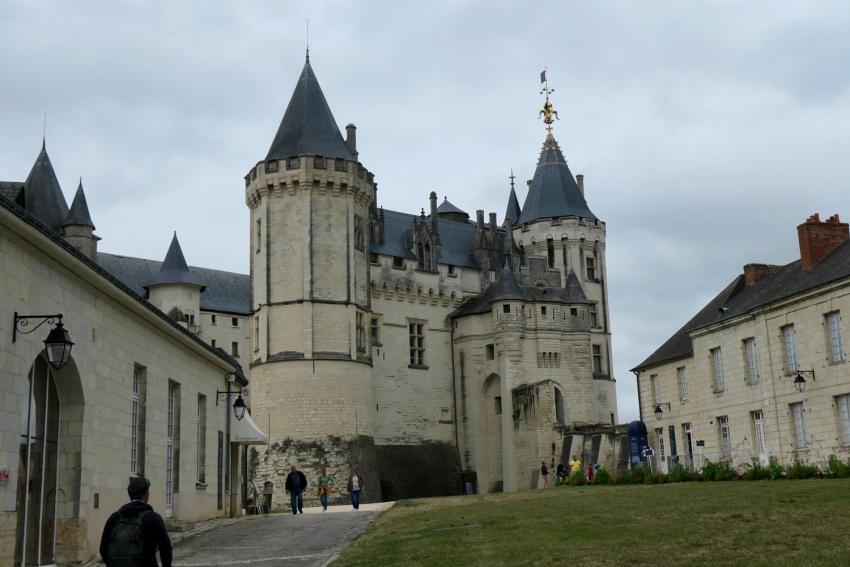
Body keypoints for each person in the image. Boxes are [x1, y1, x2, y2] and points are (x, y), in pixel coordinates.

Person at [100, 476, 172, 567]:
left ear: (130, 495)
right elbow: (166, 549)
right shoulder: (154, 518)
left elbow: (103, 548)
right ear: (146, 494)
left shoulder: (114, 518)